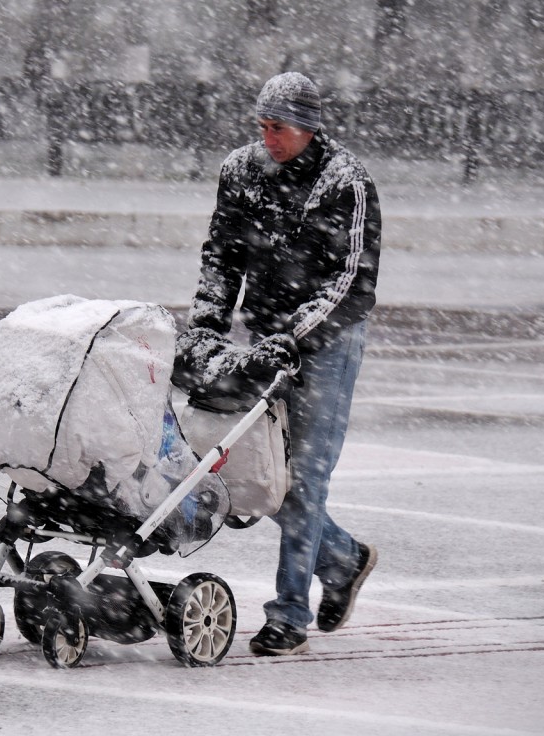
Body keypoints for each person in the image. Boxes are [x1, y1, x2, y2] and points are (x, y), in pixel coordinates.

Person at [174, 72, 381, 656]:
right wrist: (208, 330)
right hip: (266, 337)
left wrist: (299, 334)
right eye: (262, 126)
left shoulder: (347, 182)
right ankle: (342, 560)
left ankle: (289, 614)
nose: (268, 138)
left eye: (279, 128)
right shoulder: (240, 171)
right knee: (259, 472)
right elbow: (221, 256)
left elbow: (351, 282)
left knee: (307, 478)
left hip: (328, 343)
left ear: (309, 128)